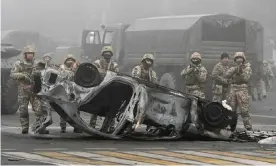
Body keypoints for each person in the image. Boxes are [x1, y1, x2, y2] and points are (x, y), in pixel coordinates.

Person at [10, 45, 49, 134]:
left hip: (34, 90)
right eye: (28, 53)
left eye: (32, 53)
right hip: (23, 90)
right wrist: (23, 76)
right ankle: (25, 127)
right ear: (25, 54)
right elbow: (12, 74)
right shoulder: (19, 64)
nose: (30, 55)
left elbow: (45, 71)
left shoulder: (36, 63)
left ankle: (41, 127)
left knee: (39, 110)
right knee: (23, 110)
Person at [89, 46, 119, 128]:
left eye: (109, 54)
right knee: (96, 107)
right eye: (106, 54)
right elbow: (93, 73)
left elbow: (117, 75)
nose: (107, 55)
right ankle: (92, 125)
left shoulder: (114, 65)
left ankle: (111, 126)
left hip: (110, 89)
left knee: (111, 108)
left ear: (111, 55)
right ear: (103, 54)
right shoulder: (97, 63)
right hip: (98, 87)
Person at [225, 52, 252, 130]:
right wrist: (236, 69)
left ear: (243, 59)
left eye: (240, 58)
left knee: (244, 110)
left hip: (242, 89)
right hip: (233, 89)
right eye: (237, 58)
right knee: (231, 109)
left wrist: (241, 71)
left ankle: (248, 126)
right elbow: (227, 75)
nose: (239, 60)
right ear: (235, 60)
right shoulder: (233, 68)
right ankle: (231, 126)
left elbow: (246, 78)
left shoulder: (247, 68)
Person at [58, 54, 82, 133]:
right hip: (64, 90)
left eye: (71, 60)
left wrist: (76, 67)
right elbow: (60, 77)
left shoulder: (76, 67)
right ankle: (63, 127)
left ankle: (77, 127)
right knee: (63, 108)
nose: (70, 61)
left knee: (75, 109)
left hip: (74, 90)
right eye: (68, 60)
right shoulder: (62, 67)